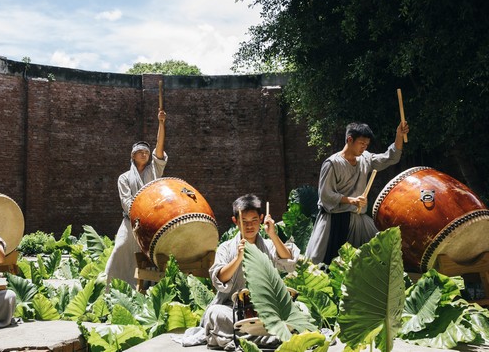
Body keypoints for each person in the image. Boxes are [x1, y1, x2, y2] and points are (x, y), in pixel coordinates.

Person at [182, 194, 300, 350]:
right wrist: (238, 258)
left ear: (262, 218)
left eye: (254, 221)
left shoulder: (269, 244)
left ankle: (249, 337)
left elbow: (289, 262)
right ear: (235, 221)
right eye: (244, 222)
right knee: (215, 313)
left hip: (268, 311)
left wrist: (273, 234)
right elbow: (220, 278)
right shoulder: (225, 247)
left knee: (299, 308)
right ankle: (269, 338)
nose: (249, 226)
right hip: (234, 310)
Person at [305, 121, 409, 265]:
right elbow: (326, 195)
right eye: (361, 143)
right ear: (349, 139)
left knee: (381, 251)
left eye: (366, 145)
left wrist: (399, 136)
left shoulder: (365, 158)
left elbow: (390, 157)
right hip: (334, 220)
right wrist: (351, 200)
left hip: (358, 219)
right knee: (325, 265)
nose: (364, 147)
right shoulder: (332, 164)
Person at [104, 108, 167, 288]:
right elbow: (126, 201)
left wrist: (161, 123)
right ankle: (112, 287)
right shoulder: (124, 178)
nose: (145, 154)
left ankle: (148, 289)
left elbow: (159, 146)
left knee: (153, 255)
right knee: (120, 248)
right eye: (141, 152)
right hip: (130, 222)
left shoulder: (154, 171)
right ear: (133, 155)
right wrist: (138, 216)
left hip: (151, 223)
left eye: (147, 152)